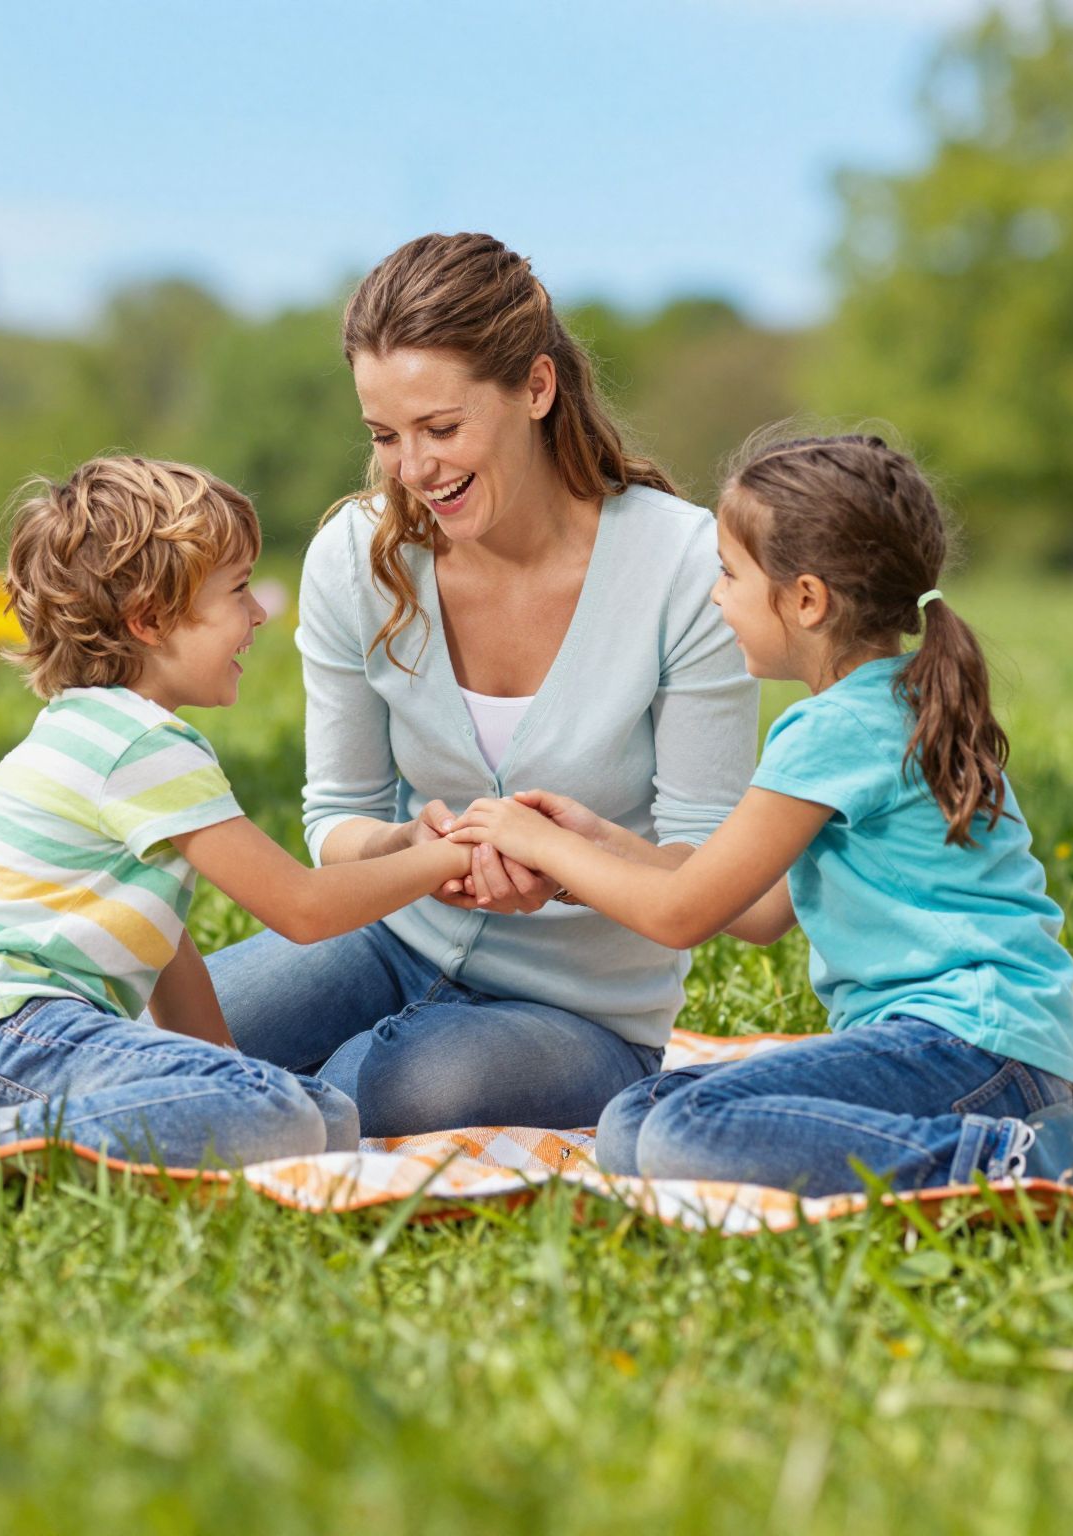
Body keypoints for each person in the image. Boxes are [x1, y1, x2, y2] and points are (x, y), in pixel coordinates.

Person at [448, 431, 1073, 1199]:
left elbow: (681, 915)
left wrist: (536, 841)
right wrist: (596, 840)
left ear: (806, 599)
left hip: (968, 1048)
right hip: (1004, 1055)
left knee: (677, 1128)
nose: (716, 597)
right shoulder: (897, 700)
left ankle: (1027, 1161)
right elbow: (760, 910)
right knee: (637, 1122)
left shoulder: (833, 730)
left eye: (729, 574)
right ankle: (1025, 1140)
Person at [203, 233, 758, 1138]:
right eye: (385, 436)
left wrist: (567, 871)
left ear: (536, 389)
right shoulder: (354, 557)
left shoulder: (686, 567)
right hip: (387, 938)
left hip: (582, 1013)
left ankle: (281, 1102)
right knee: (165, 1032)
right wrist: (405, 847)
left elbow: (710, 867)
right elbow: (336, 820)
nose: (413, 469)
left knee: (386, 1086)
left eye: (441, 429)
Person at [0, 457, 474, 1185]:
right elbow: (302, 908)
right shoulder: (144, 746)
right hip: (6, 1034)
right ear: (150, 619)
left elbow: (163, 942)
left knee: (321, 1118)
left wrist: (224, 1070)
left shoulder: (92, 724)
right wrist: (448, 857)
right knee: (284, 1115)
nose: (258, 615)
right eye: (238, 591)